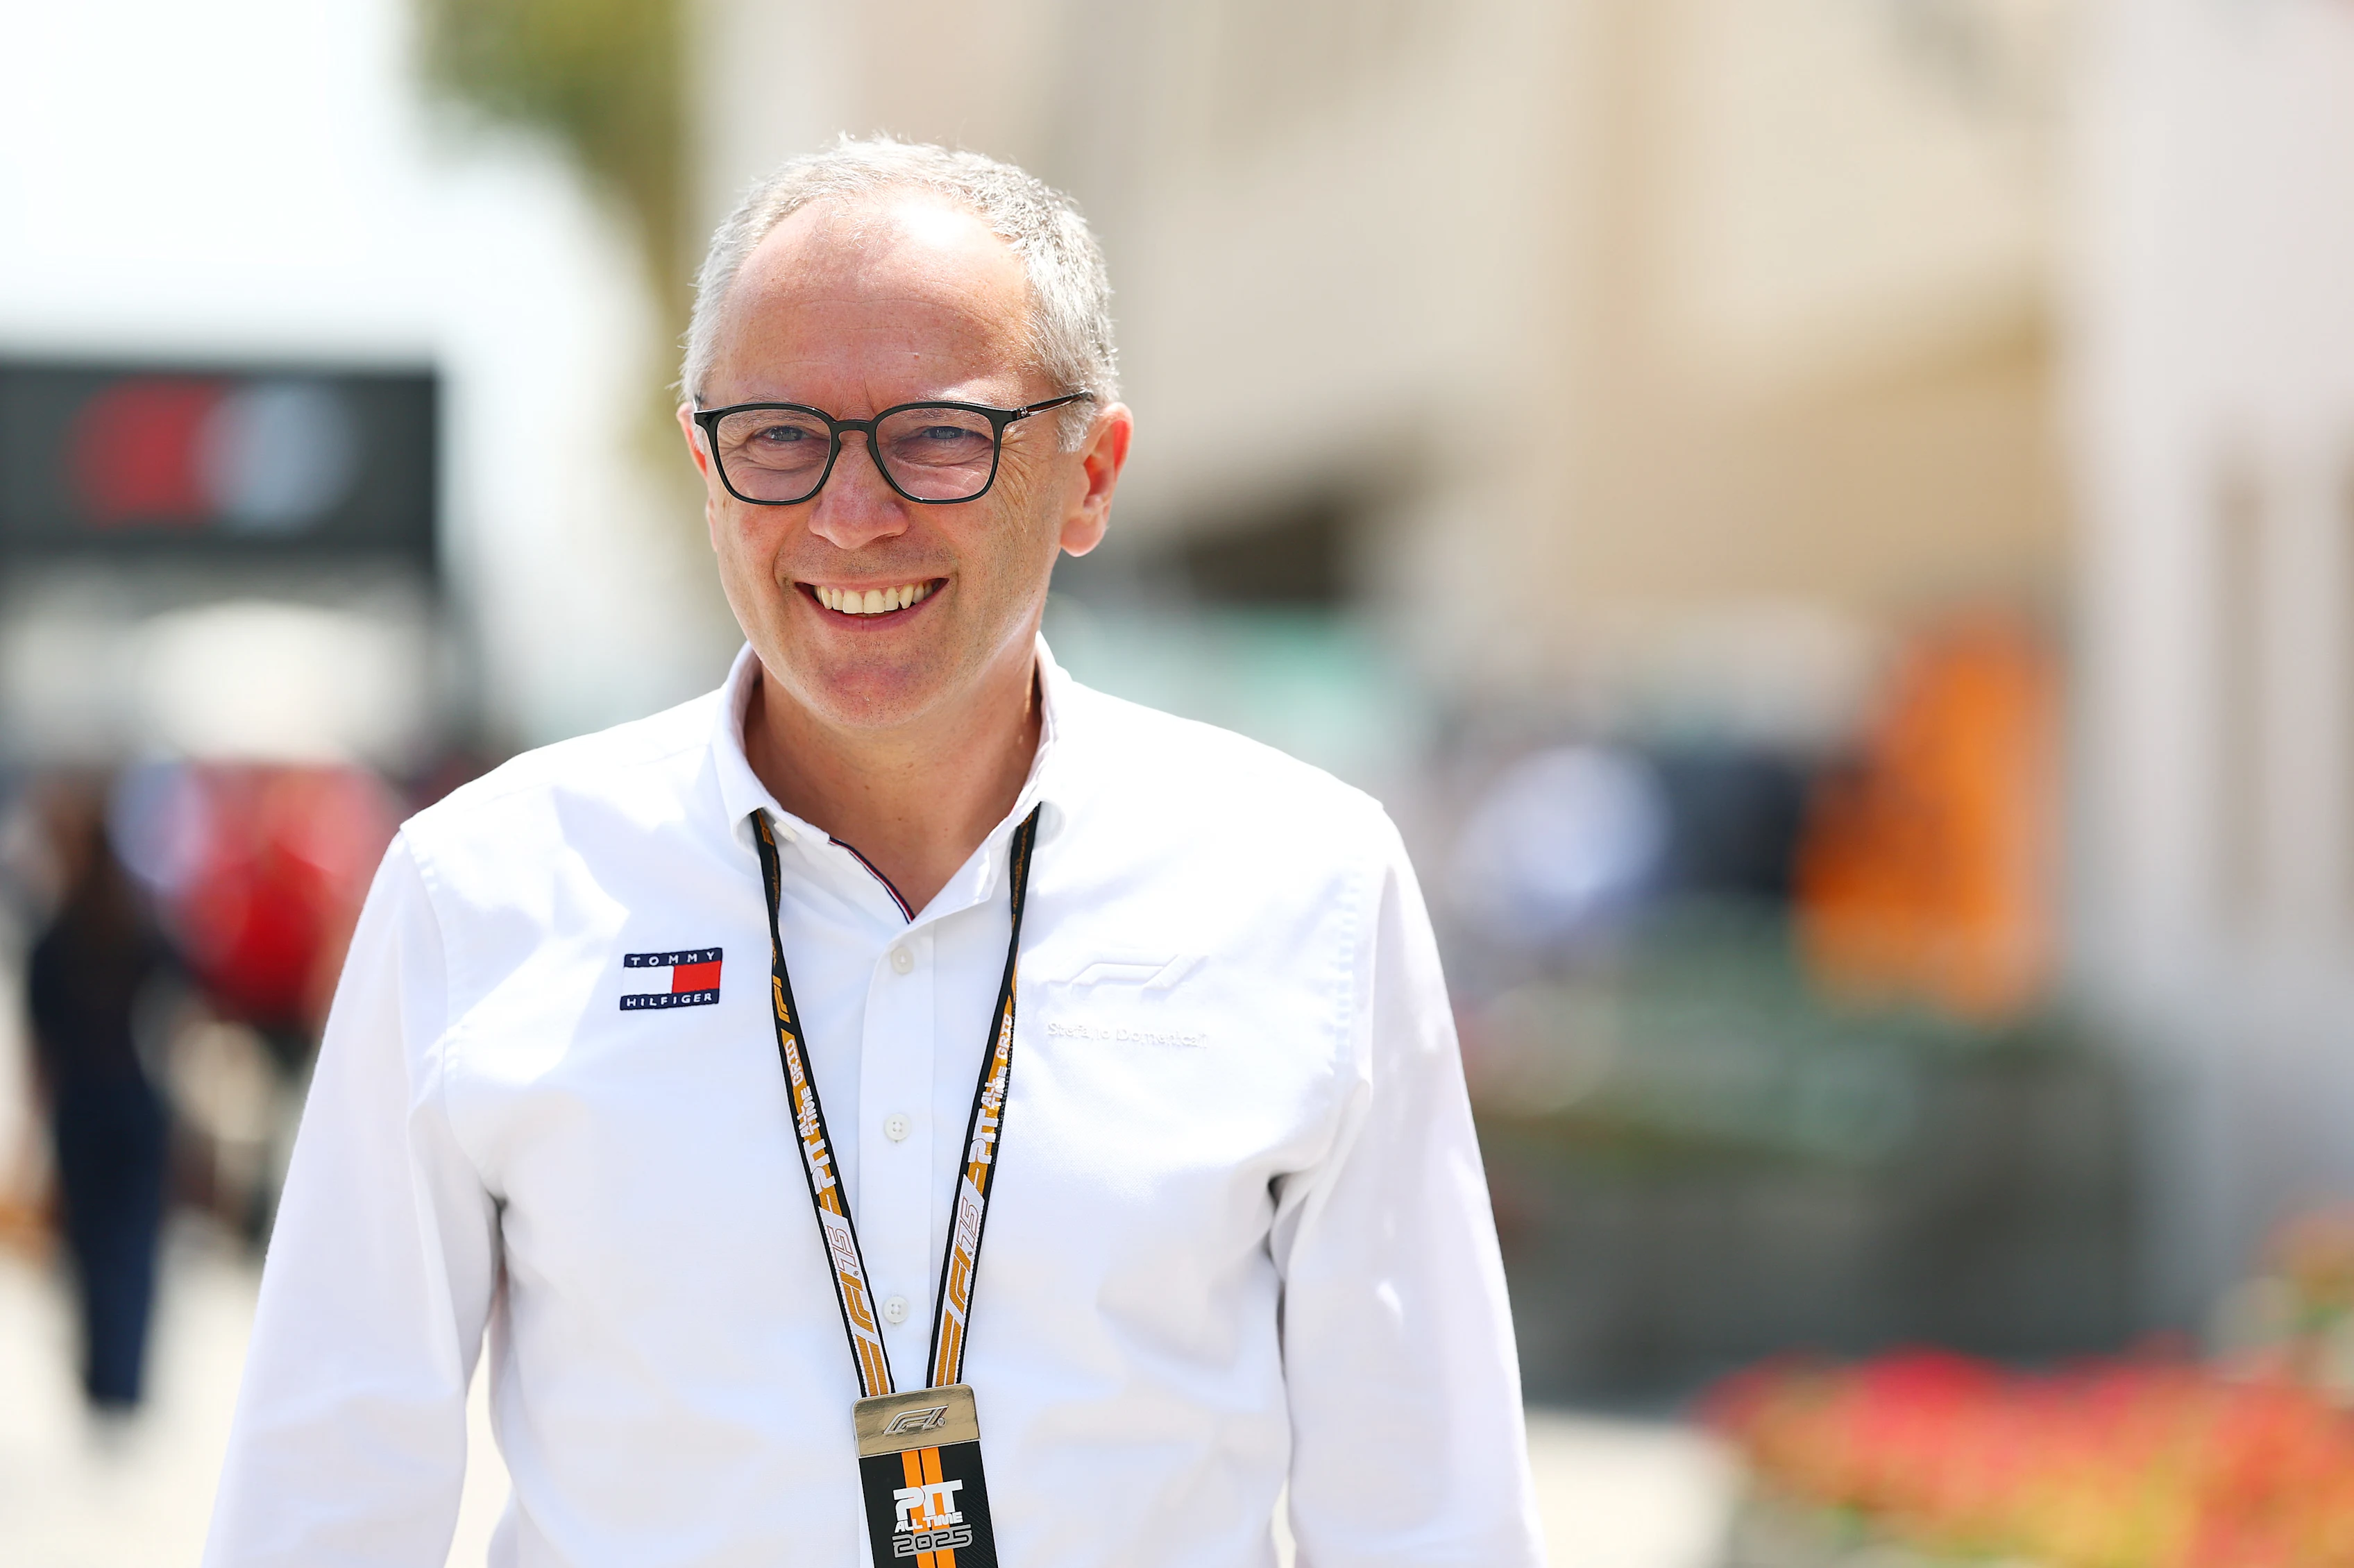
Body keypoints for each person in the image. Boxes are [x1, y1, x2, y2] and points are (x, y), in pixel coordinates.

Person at [204, 138, 1540, 1567]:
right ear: (706, 468)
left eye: (939, 435)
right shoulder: (477, 891)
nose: (851, 515)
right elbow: (322, 1498)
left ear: (1089, 475)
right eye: (780, 436)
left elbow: (1427, 1513)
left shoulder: (1308, 886)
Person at [25, 779, 174, 1411]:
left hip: (84, 1107)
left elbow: (42, 1049)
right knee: (133, 1245)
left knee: (90, 1248)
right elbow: (182, 993)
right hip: (136, 1098)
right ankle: (126, 1378)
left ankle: (102, 1378)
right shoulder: (138, 921)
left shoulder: (55, 937)